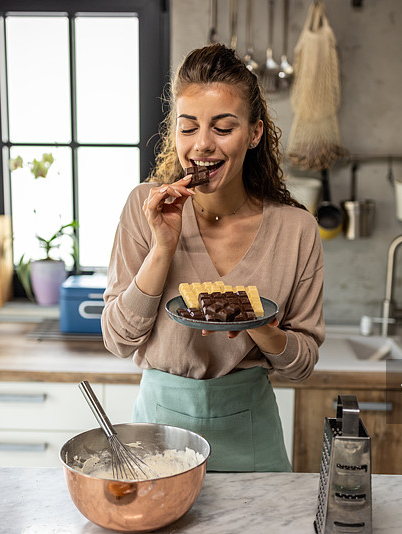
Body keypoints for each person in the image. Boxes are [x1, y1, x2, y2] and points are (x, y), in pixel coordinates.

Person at [101, 43, 325, 472]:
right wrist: (163, 247)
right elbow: (118, 339)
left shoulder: (296, 230)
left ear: (255, 133)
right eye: (188, 128)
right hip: (157, 435)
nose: (202, 145)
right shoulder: (142, 208)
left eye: (223, 128)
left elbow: (303, 365)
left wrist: (258, 325)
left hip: (251, 433)